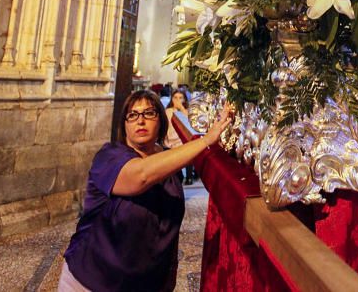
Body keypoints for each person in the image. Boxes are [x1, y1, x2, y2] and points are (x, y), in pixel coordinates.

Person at [59, 89, 232, 291]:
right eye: (132, 115)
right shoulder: (109, 157)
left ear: (160, 120)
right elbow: (140, 176)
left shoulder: (169, 166)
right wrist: (204, 141)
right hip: (92, 281)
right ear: (124, 125)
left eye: (149, 113)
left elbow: (169, 231)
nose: (140, 121)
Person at [163, 89, 196, 185]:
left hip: (183, 139)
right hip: (170, 139)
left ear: (184, 99)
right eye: (175, 97)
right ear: (171, 99)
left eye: (180, 98)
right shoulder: (168, 111)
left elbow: (190, 123)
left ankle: (189, 177)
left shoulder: (187, 111)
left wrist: (181, 108)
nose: (177, 100)